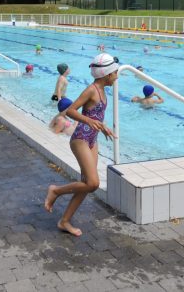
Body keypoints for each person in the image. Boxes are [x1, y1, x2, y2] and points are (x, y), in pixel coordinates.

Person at [44, 53, 118, 237]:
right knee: (93, 183)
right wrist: (88, 121)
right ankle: (56, 191)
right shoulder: (92, 89)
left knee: (86, 184)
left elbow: (96, 117)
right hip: (81, 140)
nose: (117, 75)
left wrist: (102, 127)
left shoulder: (103, 91)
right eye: (115, 72)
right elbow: (70, 111)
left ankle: (64, 221)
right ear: (107, 74)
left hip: (92, 139)